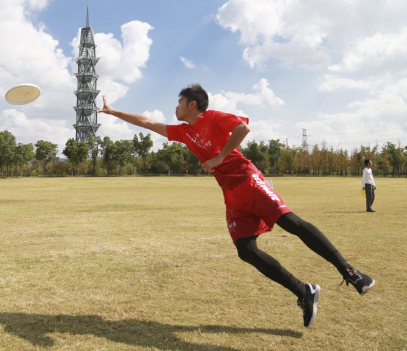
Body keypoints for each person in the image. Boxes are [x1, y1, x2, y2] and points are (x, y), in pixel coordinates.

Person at [97, 84, 375, 327]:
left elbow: (243, 128)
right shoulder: (183, 132)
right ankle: (304, 291)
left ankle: (350, 272)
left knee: (291, 223)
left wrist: (219, 157)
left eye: (179, 102)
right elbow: (147, 122)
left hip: (249, 180)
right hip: (231, 194)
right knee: (246, 250)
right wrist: (114, 112)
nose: (176, 107)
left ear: (192, 104)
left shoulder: (213, 117)